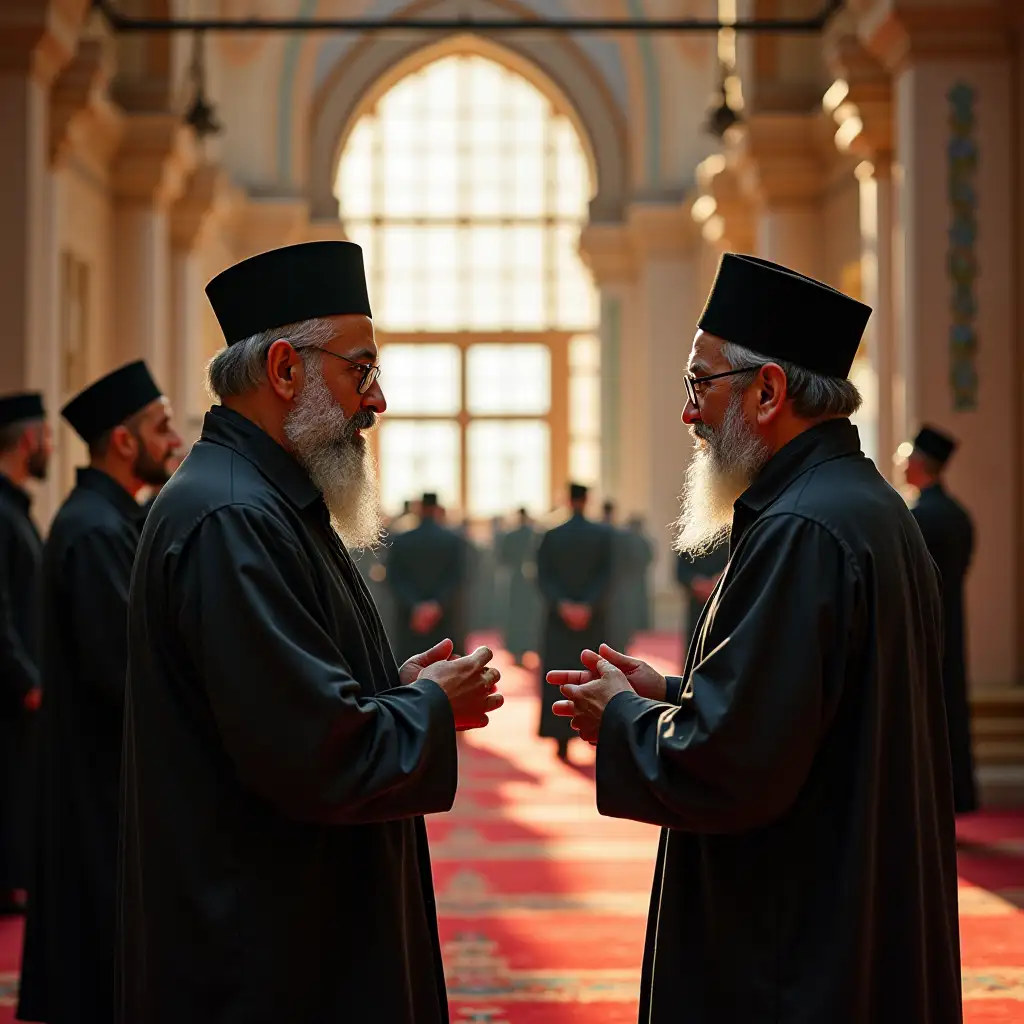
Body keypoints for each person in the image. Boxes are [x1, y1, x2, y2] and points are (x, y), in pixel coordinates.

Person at [549, 254, 961, 1021]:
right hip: (847, 905)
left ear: (768, 391)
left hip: (792, 943)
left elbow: (733, 761)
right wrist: (671, 692)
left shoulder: (803, 528)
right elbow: (802, 707)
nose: (689, 414)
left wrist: (624, 718)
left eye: (699, 385)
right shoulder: (862, 509)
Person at [117, 241, 504, 1024]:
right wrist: (429, 707)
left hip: (284, 921)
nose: (378, 400)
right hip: (260, 949)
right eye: (360, 371)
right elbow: (304, 752)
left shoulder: (261, 498)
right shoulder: (232, 516)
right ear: (286, 371)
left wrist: (395, 687)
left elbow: (284, 696)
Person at [18, 361, 182, 1024]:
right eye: (162, 427)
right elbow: (121, 668)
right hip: (99, 773)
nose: (175, 441)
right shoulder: (95, 529)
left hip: (106, 767)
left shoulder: (111, 518)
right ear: (122, 440)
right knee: (96, 949)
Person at [905, 424, 978, 814]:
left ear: (919, 464)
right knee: (951, 707)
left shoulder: (916, 517)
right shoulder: (959, 515)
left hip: (921, 627)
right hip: (952, 620)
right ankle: (957, 798)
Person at [0, 393, 50, 915]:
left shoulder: (15, 509)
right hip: (11, 695)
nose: (50, 448)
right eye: (48, 439)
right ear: (31, 441)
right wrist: (26, 679)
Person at [537, 483, 612, 762]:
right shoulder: (602, 534)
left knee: (560, 675)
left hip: (559, 620)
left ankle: (560, 738)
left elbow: (542, 576)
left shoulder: (551, 533)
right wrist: (587, 606)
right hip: (592, 620)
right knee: (594, 674)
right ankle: (596, 733)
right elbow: (607, 576)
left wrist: (564, 605)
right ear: (587, 500)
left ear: (567, 499)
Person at [387, 493, 466, 662]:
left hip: (412, 619)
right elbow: (457, 577)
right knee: (447, 668)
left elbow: (395, 578)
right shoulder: (453, 540)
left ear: (419, 510)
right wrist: (436, 605)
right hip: (443, 617)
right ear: (437, 510)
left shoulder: (401, 540)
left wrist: (416, 606)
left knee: (410, 670)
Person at [499, 508, 542, 666]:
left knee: (516, 617)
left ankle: (517, 651)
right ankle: (528, 648)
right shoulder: (535, 535)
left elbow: (503, 559)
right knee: (528, 617)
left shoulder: (511, 535)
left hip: (516, 582)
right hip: (531, 583)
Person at [675, 545, 727, 670]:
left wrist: (721, 579)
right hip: (697, 603)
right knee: (696, 645)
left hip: (726, 600)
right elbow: (680, 571)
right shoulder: (689, 537)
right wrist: (695, 583)